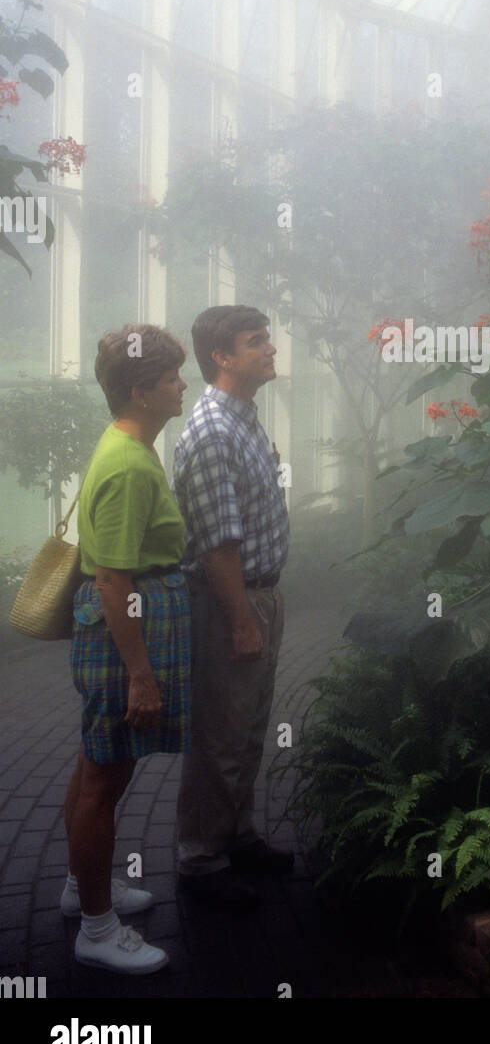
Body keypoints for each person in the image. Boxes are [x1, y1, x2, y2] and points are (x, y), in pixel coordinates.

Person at [63, 324, 190, 974]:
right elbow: (114, 580)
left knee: (96, 770)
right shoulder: (130, 465)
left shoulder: (129, 446)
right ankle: (97, 926)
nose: (182, 385)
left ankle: (83, 886)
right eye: (172, 378)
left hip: (123, 634)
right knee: (103, 779)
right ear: (142, 391)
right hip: (123, 643)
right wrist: (140, 676)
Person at [173, 305, 292, 906]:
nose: (270, 348)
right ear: (222, 357)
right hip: (231, 603)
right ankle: (201, 858)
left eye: (267, 337)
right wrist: (243, 620)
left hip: (259, 595)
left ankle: (237, 835)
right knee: (221, 732)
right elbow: (218, 543)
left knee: (247, 725)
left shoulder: (242, 418)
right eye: (256, 341)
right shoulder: (215, 432)